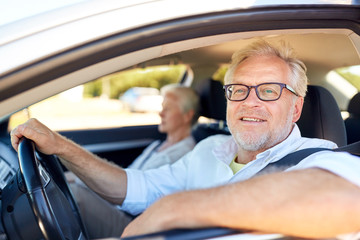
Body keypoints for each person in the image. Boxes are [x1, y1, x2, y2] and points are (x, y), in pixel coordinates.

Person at [10, 40, 360, 239]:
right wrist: (60, 146)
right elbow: (137, 188)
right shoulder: (209, 149)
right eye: (238, 90)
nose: (250, 102)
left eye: (269, 91)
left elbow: (347, 199)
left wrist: (172, 209)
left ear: (296, 108)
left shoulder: (318, 158)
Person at [66, 83, 200, 238]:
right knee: (70, 188)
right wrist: (79, 176)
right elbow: (127, 175)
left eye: (167, 109)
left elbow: (136, 191)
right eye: (162, 107)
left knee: (75, 194)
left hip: (133, 223)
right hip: (117, 204)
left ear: (187, 115)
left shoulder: (186, 154)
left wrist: (78, 178)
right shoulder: (158, 145)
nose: (160, 113)